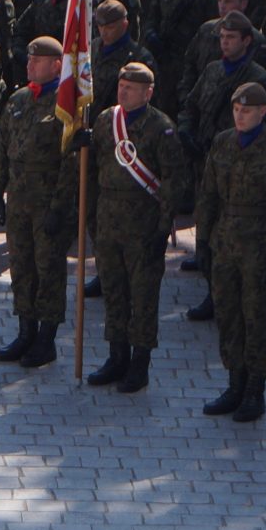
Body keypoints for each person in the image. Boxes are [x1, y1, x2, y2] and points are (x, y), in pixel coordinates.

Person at [198, 81, 266, 423]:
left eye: (247, 111)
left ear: (263, 112)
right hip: (225, 240)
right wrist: (203, 240)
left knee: (254, 318)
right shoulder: (223, 142)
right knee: (227, 315)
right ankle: (234, 382)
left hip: (259, 244)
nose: (240, 116)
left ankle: (255, 388)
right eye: (237, 110)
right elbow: (209, 193)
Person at [85, 61, 191, 392]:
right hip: (109, 220)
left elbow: (173, 180)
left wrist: (163, 227)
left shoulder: (161, 127)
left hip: (143, 222)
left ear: (148, 92)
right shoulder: (106, 120)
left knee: (142, 296)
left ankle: (139, 363)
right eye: (121, 85)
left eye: (131, 87)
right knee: (114, 292)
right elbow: (97, 167)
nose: (123, 91)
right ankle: (116, 356)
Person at [0, 36, 78, 369]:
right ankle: (24, 330)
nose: (29, 65)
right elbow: (3, 148)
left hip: (48, 201)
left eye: (37, 60)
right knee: (22, 266)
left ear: (57, 65)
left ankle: (46, 338)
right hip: (19, 199)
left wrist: (60, 206)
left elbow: (70, 162)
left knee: (48, 269)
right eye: (28, 59)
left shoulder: (67, 104)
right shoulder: (18, 99)